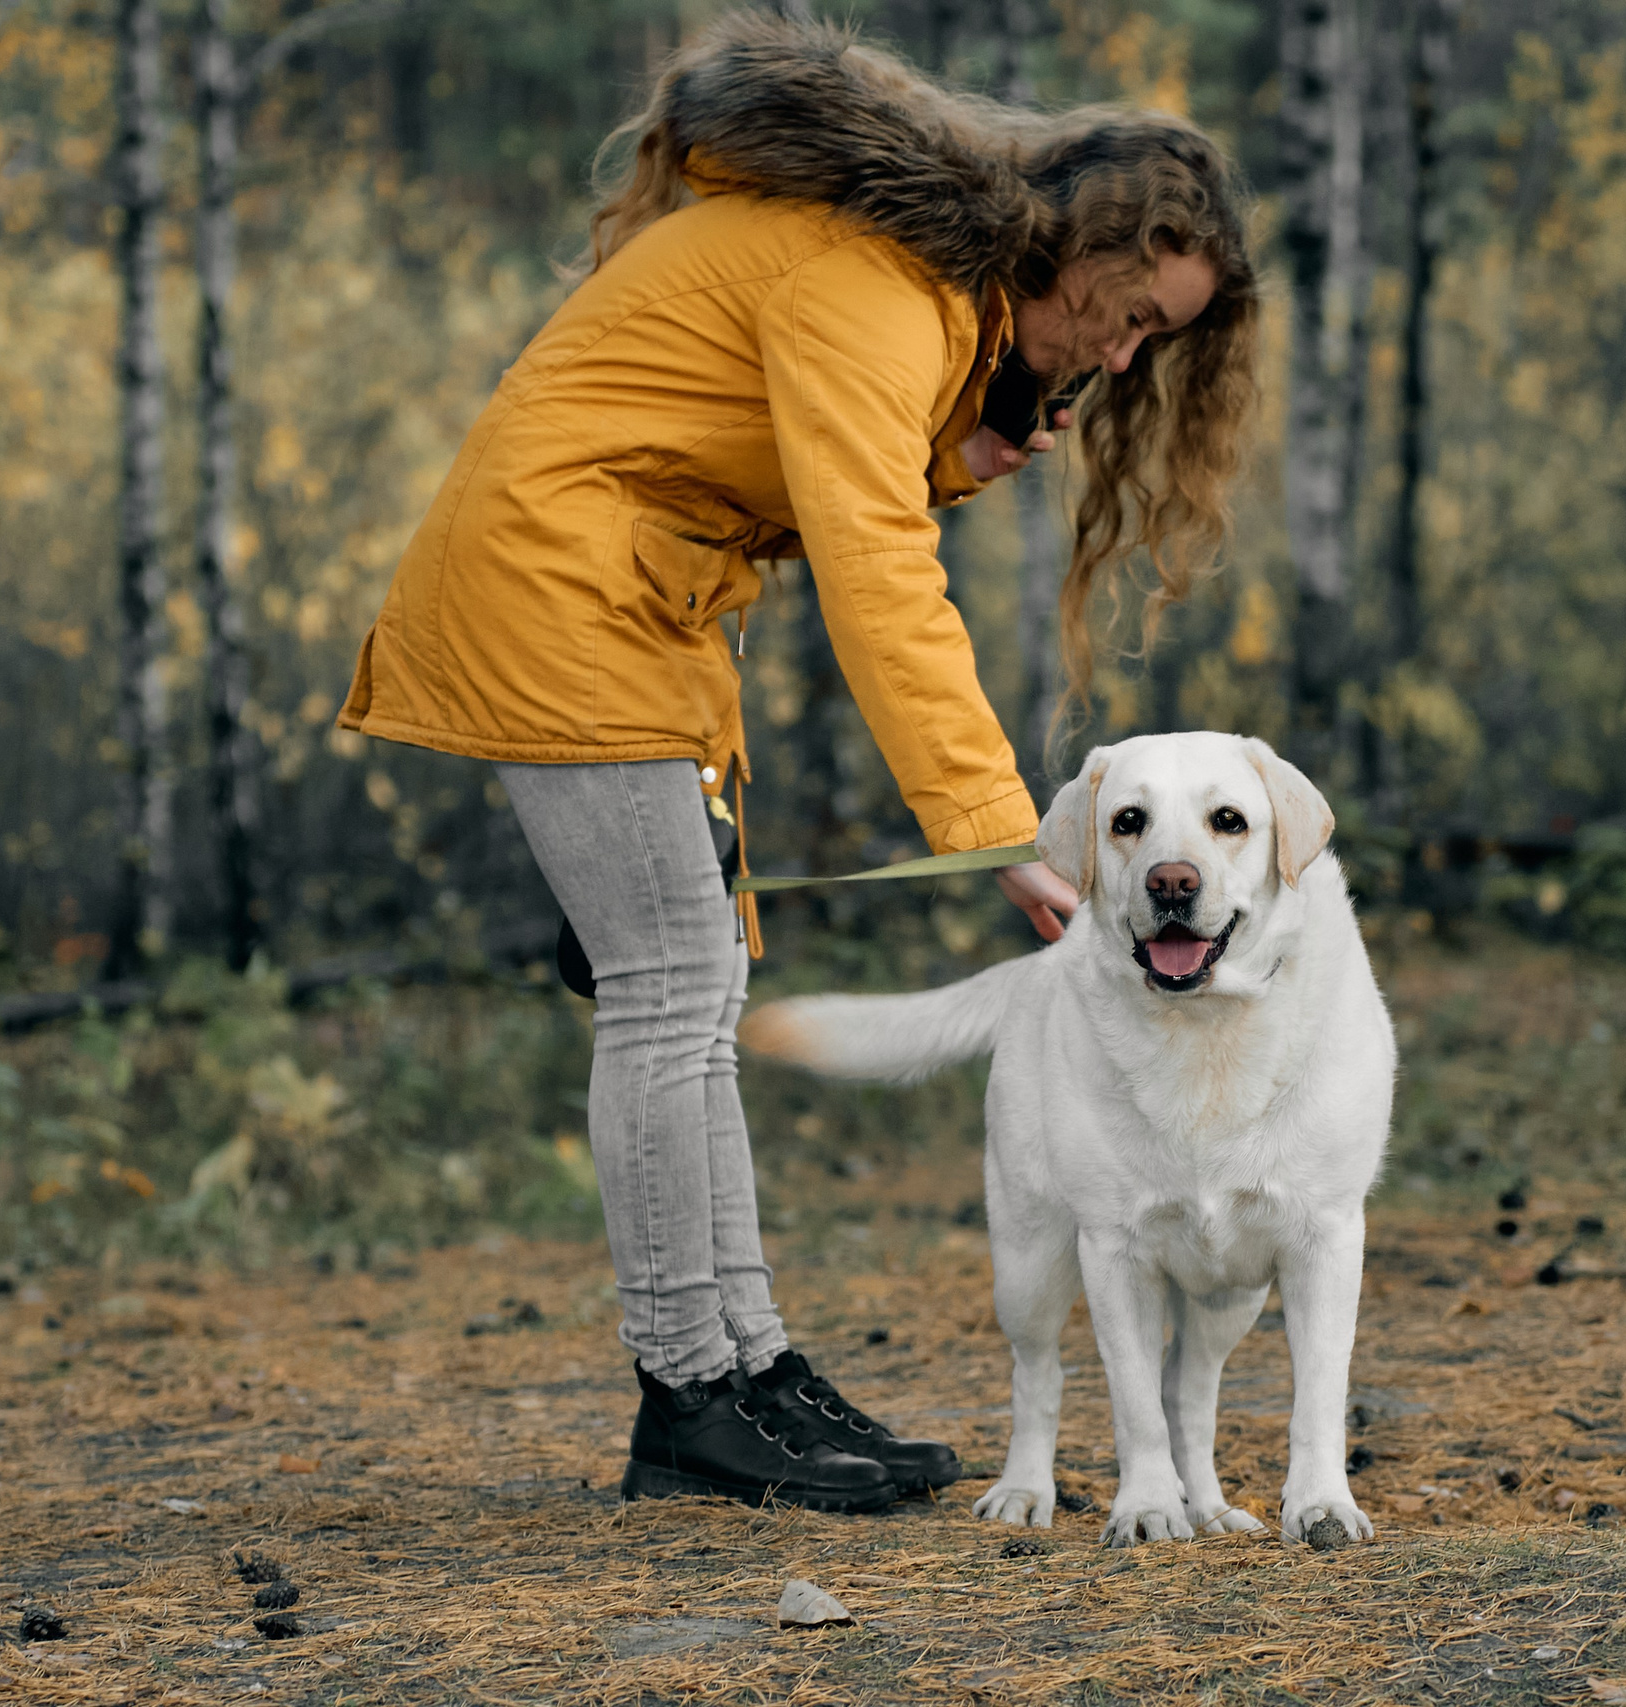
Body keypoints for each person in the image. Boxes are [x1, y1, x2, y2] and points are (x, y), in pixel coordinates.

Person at [337, 11, 1258, 1512]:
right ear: (1080, 250)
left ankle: (747, 1365)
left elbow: (791, 469)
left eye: (1158, 336)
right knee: (668, 994)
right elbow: (873, 566)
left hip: (628, 598)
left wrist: (943, 459)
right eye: (1133, 312)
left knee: (693, 989)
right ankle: (690, 1390)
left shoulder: (915, 300)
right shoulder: (878, 293)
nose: (1124, 350)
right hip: (563, 593)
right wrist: (994, 826)